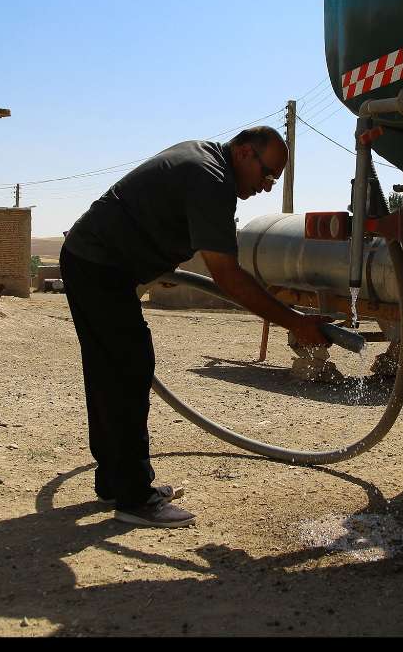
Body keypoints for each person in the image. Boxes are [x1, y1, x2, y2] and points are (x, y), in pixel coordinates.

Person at [59, 127, 331, 528]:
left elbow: (156, 213)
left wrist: (158, 262)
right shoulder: (212, 178)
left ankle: (117, 482)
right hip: (99, 265)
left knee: (112, 372)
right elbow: (227, 275)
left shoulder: (207, 162)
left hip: (95, 261)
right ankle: (135, 497)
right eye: (267, 174)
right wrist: (295, 322)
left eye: (274, 179)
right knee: (127, 369)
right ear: (243, 152)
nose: (267, 186)